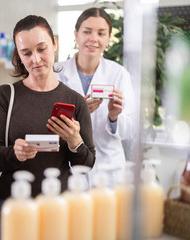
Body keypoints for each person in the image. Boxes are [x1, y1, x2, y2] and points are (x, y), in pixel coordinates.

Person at [0, 15, 96, 240]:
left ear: (55, 44)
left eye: (42, 49)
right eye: (26, 53)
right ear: (19, 55)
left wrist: (75, 141)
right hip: (8, 206)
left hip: (57, 207)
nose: (35, 59)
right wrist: (14, 153)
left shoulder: (75, 101)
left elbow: (88, 162)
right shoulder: (6, 95)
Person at [55, 7, 136, 187]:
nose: (93, 39)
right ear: (76, 34)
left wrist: (114, 117)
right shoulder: (57, 72)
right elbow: (45, 124)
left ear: (108, 38)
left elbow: (129, 130)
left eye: (101, 33)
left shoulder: (119, 74)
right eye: (87, 31)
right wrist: (78, 113)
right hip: (69, 169)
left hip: (109, 171)